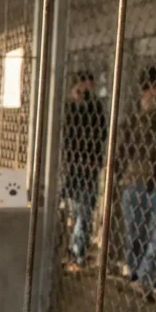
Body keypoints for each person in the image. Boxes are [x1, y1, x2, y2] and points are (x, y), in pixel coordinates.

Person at [119, 68, 156, 300]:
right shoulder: (135, 117)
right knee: (136, 234)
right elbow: (125, 147)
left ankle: (144, 277)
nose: (150, 93)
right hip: (136, 180)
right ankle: (136, 277)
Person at [62, 71, 107, 270]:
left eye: (89, 89)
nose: (86, 93)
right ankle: (68, 250)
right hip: (70, 169)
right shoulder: (68, 109)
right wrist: (75, 104)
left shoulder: (96, 108)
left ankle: (77, 254)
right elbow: (65, 134)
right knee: (69, 211)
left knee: (85, 213)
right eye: (82, 89)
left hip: (88, 168)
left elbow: (102, 134)